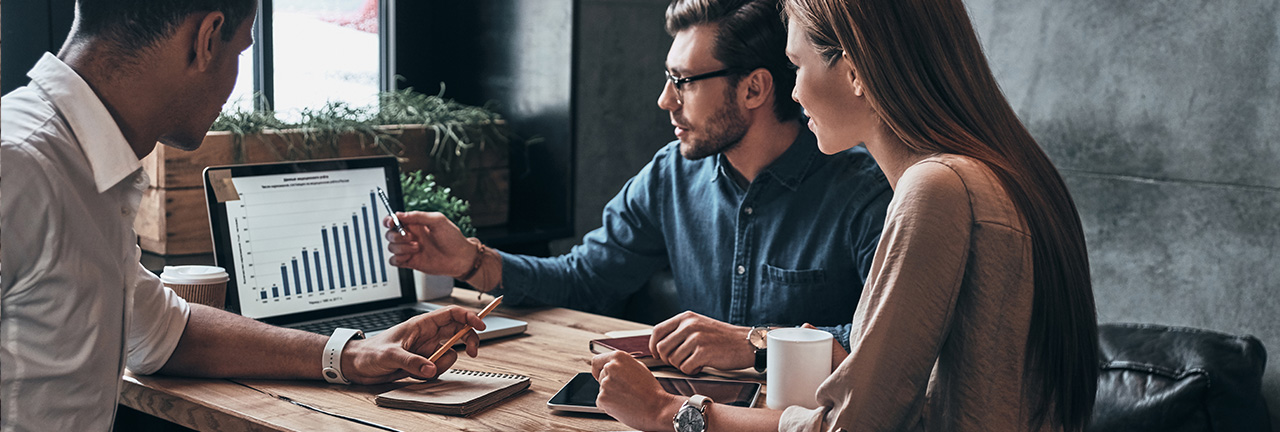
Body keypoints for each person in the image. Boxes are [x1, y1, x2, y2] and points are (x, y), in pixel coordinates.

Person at [590, 0, 1101, 430]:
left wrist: (667, 410)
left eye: (797, 66)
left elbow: (848, 427)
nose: (791, 92)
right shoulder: (999, 172)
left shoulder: (938, 188)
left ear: (855, 69)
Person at [0, 2, 485, 430]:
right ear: (207, 38)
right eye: (240, 50)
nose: (234, 86)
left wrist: (355, 353)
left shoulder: (81, 167)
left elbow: (164, 332)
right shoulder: (16, 165)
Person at [385, 0, 891, 376]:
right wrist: (471, 261)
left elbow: (887, 340)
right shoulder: (671, 174)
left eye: (683, 81)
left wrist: (755, 343)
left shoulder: (865, 191)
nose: (664, 100)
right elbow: (586, 277)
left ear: (754, 88)